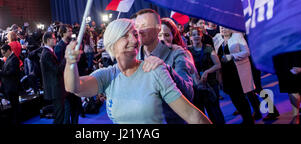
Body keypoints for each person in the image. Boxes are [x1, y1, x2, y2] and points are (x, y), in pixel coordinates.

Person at [64, 19, 211, 124]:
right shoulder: (107, 75)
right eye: (125, 36)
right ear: (112, 44)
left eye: (135, 34)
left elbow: (192, 115)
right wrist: (70, 63)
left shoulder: (154, 70)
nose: (134, 40)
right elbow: (74, 87)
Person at [135, 9, 197, 124]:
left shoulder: (178, 53)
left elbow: (188, 92)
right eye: (138, 26)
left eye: (167, 35)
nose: (163, 38)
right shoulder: (135, 55)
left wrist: (166, 70)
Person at [214, 27, 261, 124]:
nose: (223, 29)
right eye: (221, 28)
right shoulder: (217, 38)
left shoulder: (237, 36)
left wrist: (232, 56)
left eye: (225, 27)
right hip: (226, 74)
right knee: (234, 98)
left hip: (238, 72)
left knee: (242, 98)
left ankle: (249, 120)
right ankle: (245, 118)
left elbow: (247, 52)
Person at [188, 31, 225, 124]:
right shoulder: (187, 51)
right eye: (193, 35)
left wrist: (207, 72)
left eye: (198, 34)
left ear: (201, 36)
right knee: (200, 112)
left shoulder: (208, 48)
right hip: (196, 85)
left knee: (214, 110)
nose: (196, 36)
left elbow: (218, 64)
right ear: (190, 38)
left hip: (211, 84)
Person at [40, 32, 66, 124]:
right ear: (47, 40)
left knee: (60, 113)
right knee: (59, 114)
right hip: (54, 88)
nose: (55, 40)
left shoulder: (49, 52)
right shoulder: (46, 53)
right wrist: (65, 58)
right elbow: (56, 70)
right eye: (53, 38)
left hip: (56, 87)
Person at [0, 44, 20, 124]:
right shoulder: (10, 58)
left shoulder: (14, 59)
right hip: (9, 86)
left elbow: (12, 72)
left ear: (9, 51)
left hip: (12, 86)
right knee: (14, 106)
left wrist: (1, 73)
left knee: (15, 106)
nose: (3, 55)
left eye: (4, 53)